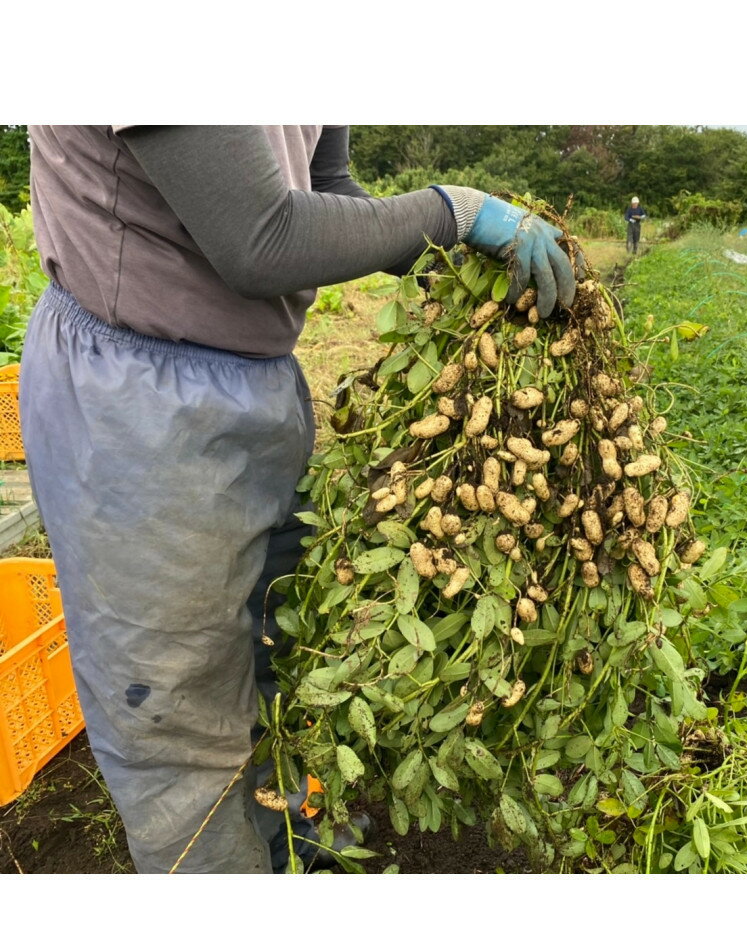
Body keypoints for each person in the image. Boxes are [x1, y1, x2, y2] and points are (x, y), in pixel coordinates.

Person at [21, 126, 580, 874]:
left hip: (257, 385)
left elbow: (328, 187)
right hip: (137, 396)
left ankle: (292, 844)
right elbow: (261, 240)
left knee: (270, 647)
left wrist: (446, 267)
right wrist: (453, 213)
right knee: (174, 707)